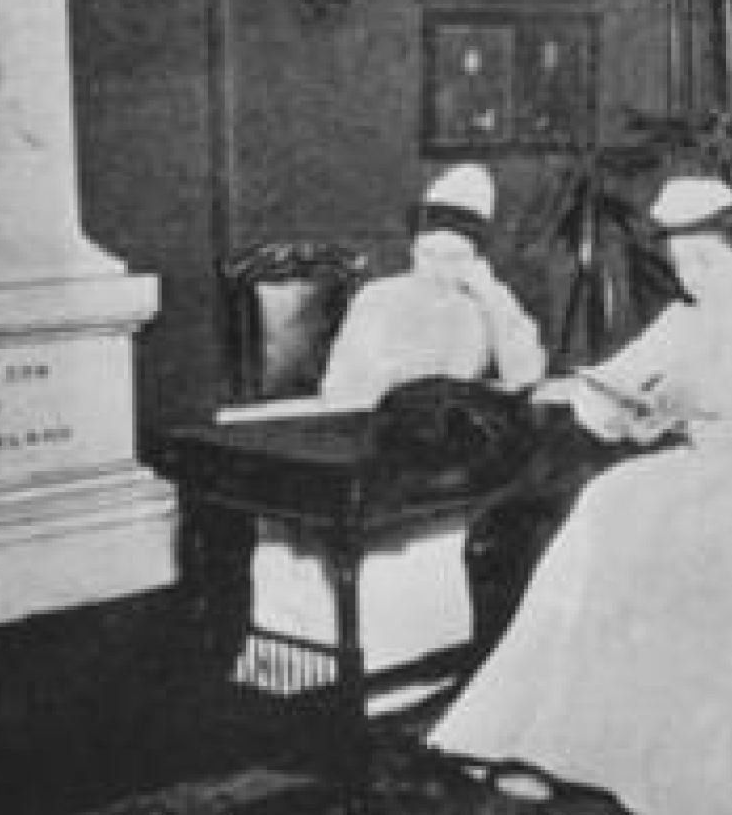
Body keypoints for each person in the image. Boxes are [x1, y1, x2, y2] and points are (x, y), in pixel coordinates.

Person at [428, 177, 732, 814]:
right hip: (692, 478)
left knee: (679, 562)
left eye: (705, 261)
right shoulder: (678, 323)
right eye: (681, 262)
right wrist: (626, 413)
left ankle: (663, 763)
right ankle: (543, 742)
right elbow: (605, 392)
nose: (691, 276)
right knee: (601, 519)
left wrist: (711, 409)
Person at [233, 164, 548, 702]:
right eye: (429, 255)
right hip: (371, 437)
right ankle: (349, 679)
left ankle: (431, 675)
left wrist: (492, 295)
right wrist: (397, 380)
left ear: (477, 259)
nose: (438, 269)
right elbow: (346, 393)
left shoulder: (483, 305)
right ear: (412, 251)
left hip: (442, 454)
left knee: (464, 528)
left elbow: (525, 372)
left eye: (456, 258)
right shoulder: (380, 298)